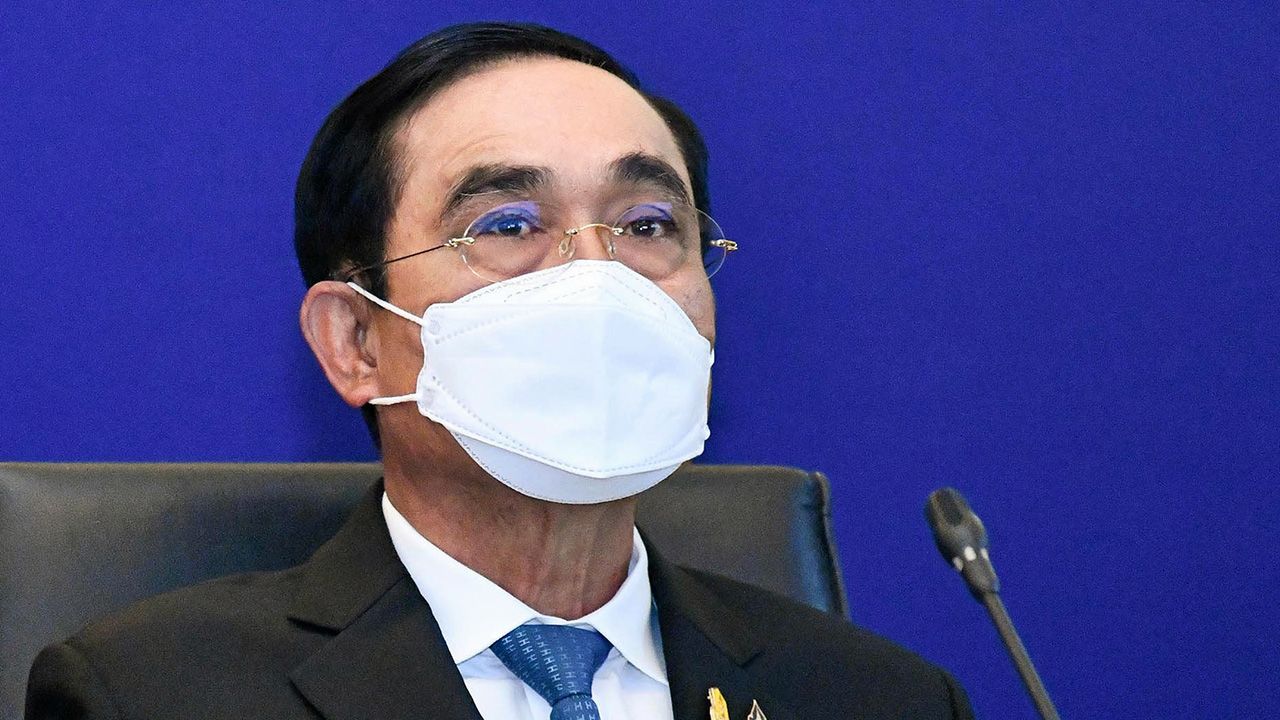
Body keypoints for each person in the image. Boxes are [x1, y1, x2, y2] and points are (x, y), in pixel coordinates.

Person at [25, 22, 974, 720]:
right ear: (355, 341)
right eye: (509, 225)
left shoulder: (884, 701)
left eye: (648, 225)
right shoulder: (149, 696)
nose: (599, 278)